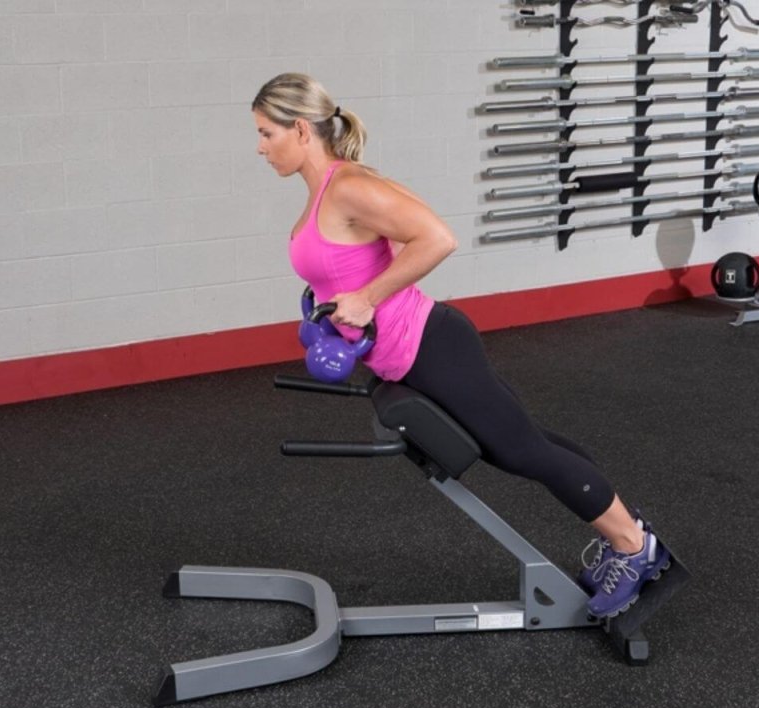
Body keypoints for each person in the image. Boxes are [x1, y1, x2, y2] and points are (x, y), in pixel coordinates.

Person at [251, 73, 671, 619]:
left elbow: (437, 237)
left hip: (431, 344)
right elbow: (346, 266)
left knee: (522, 451)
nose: (260, 147)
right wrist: (328, 307)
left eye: (266, 133)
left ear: (301, 129)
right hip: (411, 352)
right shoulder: (329, 192)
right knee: (525, 441)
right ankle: (627, 530)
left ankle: (635, 549)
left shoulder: (347, 186)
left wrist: (368, 298)